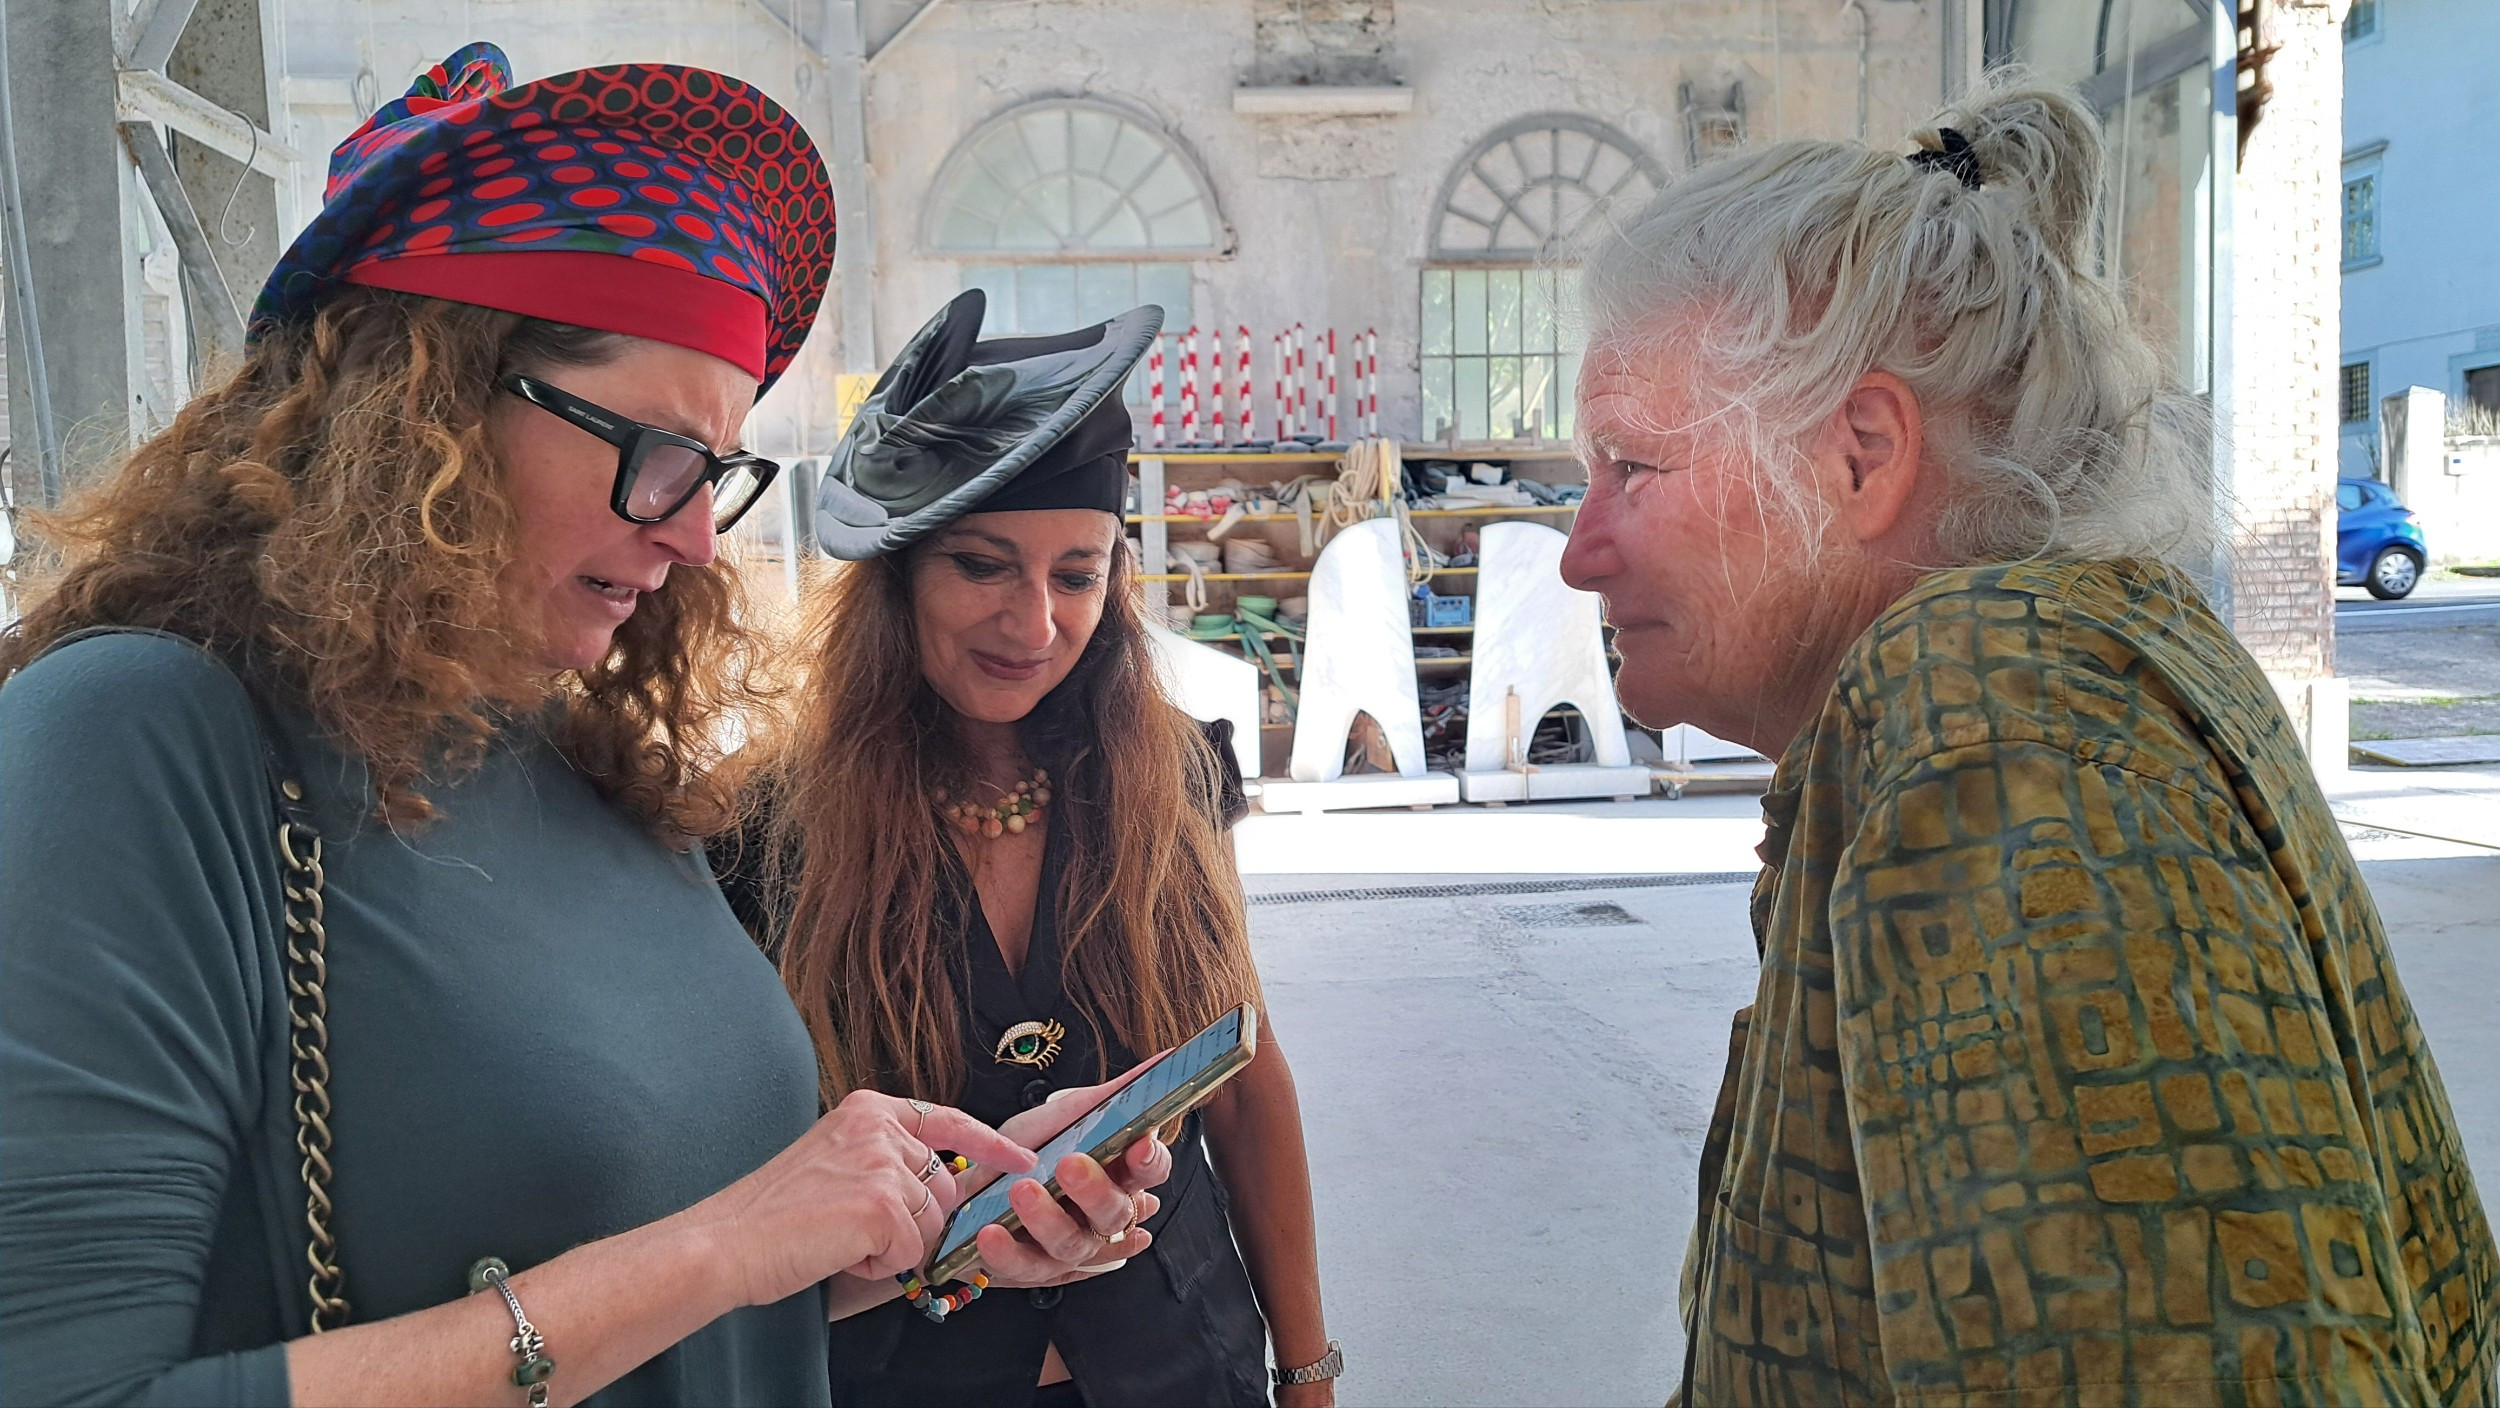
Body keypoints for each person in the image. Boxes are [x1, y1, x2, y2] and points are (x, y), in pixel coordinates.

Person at [0, 45, 1168, 1408]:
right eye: (657, 452)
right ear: (420, 409)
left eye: (715, 473)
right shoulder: (134, 742)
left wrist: (915, 1232)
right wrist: (725, 1243)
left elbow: (673, 1297)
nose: (692, 539)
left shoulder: (587, 768)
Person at [1558, 83, 2497, 1405]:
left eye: (1630, 468)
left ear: (1862, 455)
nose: (1577, 553)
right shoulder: (2041, 669)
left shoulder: (1997, 723)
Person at [723, 288, 1339, 1408]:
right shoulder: (762, 831)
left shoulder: (1176, 777)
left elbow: (1243, 1084)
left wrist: (1306, 1369)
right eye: (983, 565)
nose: (1036, 624)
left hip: (1181, 1363)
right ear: (900, 568)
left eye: (1076, 574)